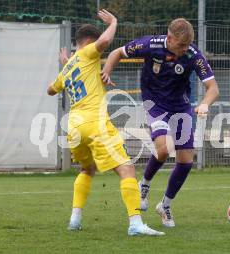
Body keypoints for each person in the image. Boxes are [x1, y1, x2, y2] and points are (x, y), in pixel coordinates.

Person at [47, 9, 164, 236]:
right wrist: (114, 22)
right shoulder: (86, 54)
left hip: (74, 127)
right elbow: (106, 40)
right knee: (126, 169)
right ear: (88, 42)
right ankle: (135, 223)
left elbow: (51, 90)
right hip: (95, 123)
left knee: (87, 168)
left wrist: (66, 65)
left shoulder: (70, 66)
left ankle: (74, 219)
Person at [101, 18, 219, 228]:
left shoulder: (193, 55)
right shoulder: (150, 45)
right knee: (163, 150)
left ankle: (165, 205)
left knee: (186, 160)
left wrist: (205, 104)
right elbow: (116, 53)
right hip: (154, 104)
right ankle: (144, 185)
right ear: (169, 37)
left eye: (187, 45)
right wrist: (107, 71)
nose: (184, 49)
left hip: (180, 107)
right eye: (180, 45)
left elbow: (213, 88)